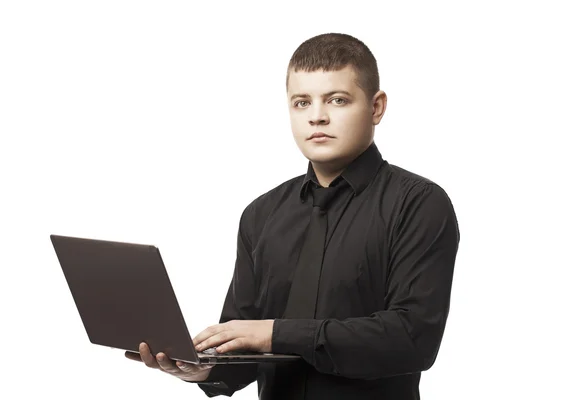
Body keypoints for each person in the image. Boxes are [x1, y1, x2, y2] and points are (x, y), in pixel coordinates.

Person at [125, 32, 460, 400]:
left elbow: (412, 338)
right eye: (302, 102)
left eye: (337, 100)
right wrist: (206, 367)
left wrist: (275, 333)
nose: (317, 116)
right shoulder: (261, 215)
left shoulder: (419, 204)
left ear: (376, 107)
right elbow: (246, 342)